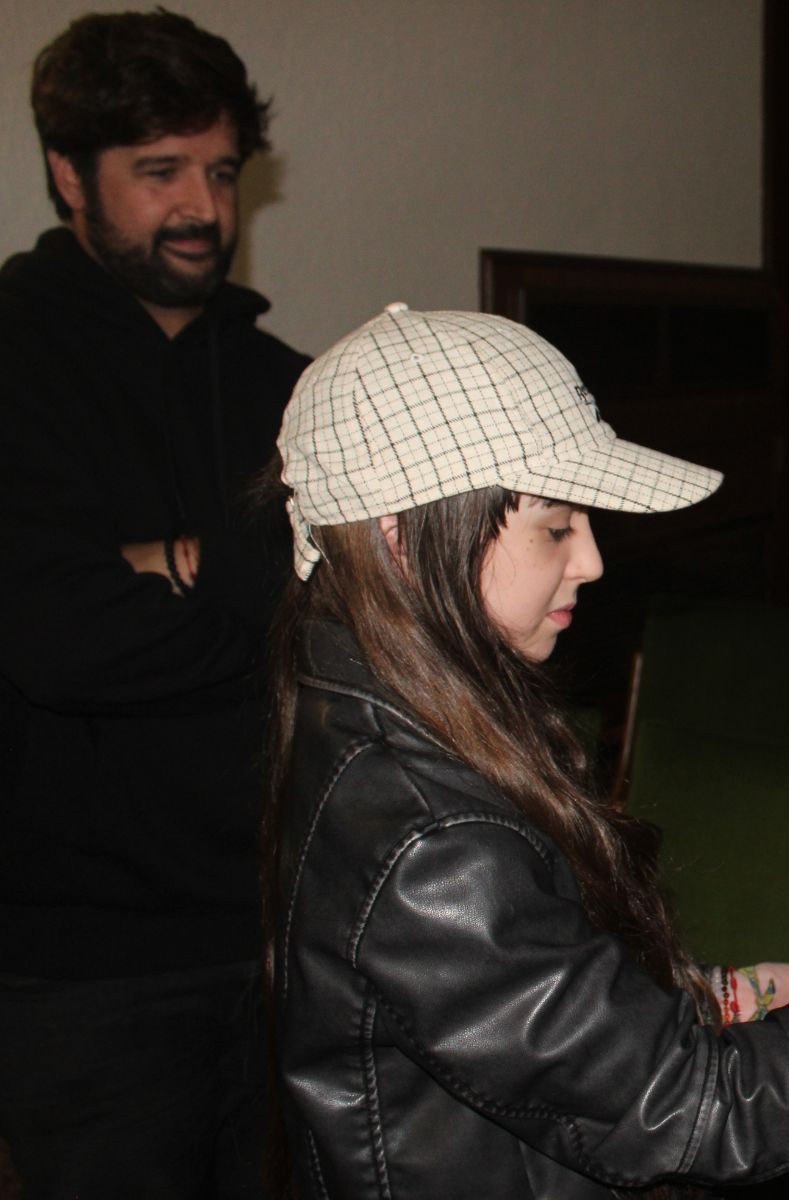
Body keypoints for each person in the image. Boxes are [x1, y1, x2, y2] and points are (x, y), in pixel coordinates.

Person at [266, 303, 789, 1197]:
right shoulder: (428, 833)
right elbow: (695, 1117)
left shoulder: (376, 709)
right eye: (553, 524)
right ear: (400, 537)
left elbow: (512, 1013)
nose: (591, 560)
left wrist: (717, 997)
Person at [0, 12, 308, 1197]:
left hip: (284, 938)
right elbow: (53, 639)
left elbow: (344, 622)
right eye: (159, 172)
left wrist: (150, 562)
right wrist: (248, 568)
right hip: (80, 973)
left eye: (221, 173)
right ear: (68, 174)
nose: (202, 208)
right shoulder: (15, 360)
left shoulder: (295, 387)